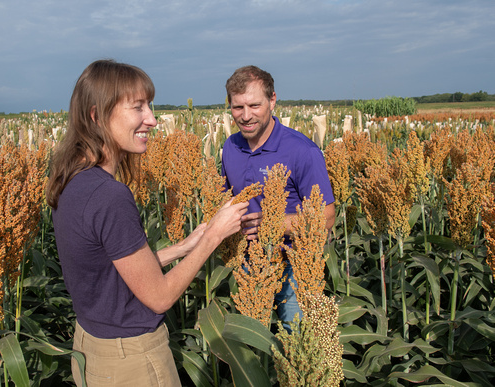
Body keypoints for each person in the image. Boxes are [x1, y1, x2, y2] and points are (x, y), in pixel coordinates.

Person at [46, 59, 249, 387]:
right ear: (97, 115)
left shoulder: (71, 181)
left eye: (150, 107)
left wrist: (182, 247)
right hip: (132, 362)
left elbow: (113, 270)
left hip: (90, 350)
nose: (152, 120)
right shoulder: (109, 196)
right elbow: (159, 297)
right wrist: (214, 234)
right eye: (138, 107)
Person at [221, 65, 335, 327]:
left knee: (295, 345)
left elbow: (327, 217)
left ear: (272, 100)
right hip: (247, 264)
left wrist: (271, 223)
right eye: (238, 107)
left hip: (294, 265)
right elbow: (227, 196)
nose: (246, 116)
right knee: (250, 348)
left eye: (254, 105)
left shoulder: (303, 151)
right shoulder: (230, 147)